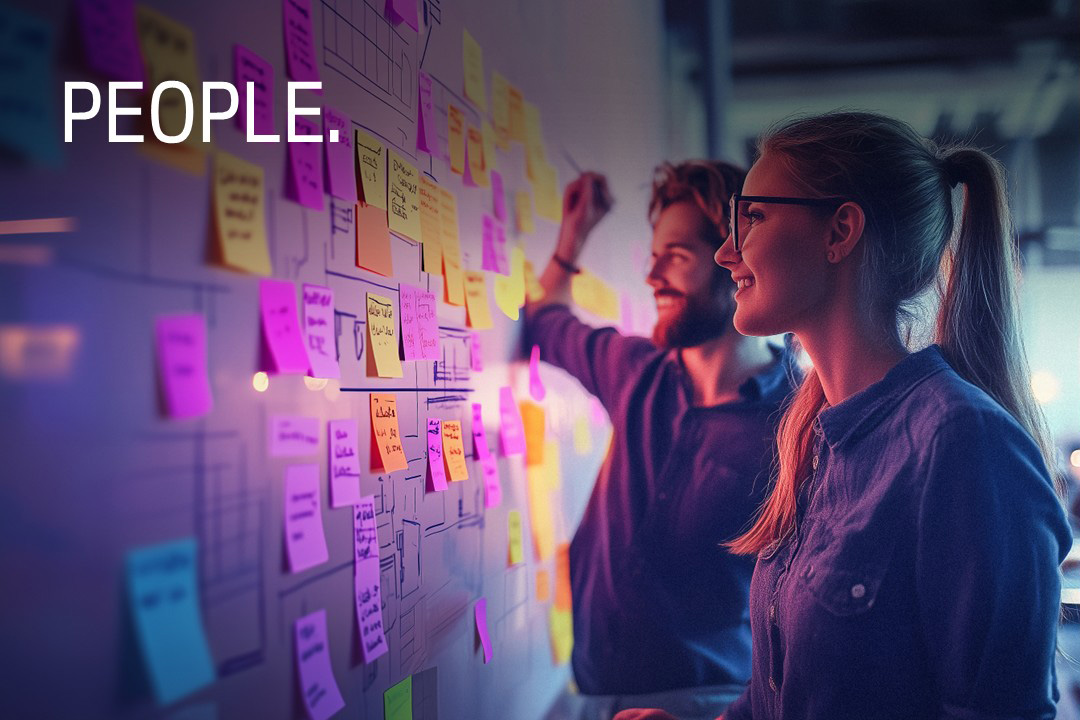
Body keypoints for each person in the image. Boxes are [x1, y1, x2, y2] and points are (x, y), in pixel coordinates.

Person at [617, 111, 1072, 720]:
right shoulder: (811, 437)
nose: (728, 252)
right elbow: (781, 695)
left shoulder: (963, 443)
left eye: (752, 216)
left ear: (841, 231)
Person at [529, 162, 798, 720]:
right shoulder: (635, 371)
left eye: (675, 255)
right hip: (593, 698)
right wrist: (573, 235)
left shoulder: (798, 420)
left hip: (715, 707)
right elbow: (545, 319)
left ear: (736, 260)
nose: (653, 277)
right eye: (653, 257)